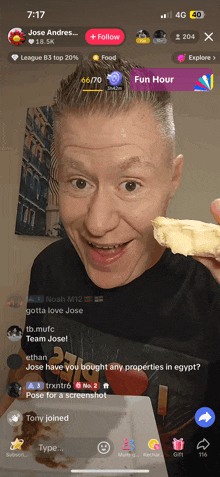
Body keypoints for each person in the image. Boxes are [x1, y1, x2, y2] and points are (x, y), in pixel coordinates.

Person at [1, 58, 220, 476]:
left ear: (172, 179)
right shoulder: (48, 267)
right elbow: (35, 364)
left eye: (130, 184)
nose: (98, 223)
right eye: (79, 182)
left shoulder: (211, 292)